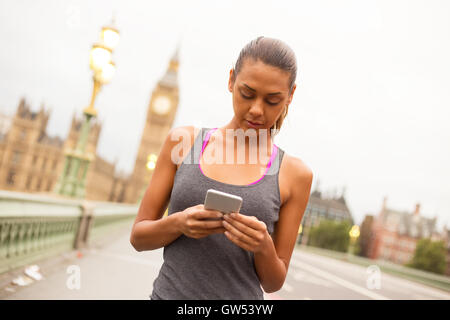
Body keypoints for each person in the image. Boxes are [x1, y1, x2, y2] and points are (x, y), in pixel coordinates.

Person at [130, 36, 313, 300]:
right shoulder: (183, 143)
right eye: (247, 94)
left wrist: (263, 247)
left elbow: (274, 283)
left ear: (290, 96)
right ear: (231, 80)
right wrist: (179, 223)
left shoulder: (295, 174)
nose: (257, 110)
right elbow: (138, 237)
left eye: (272, 100)